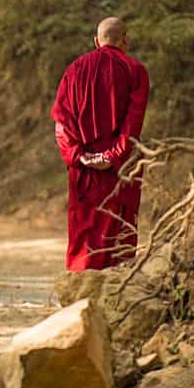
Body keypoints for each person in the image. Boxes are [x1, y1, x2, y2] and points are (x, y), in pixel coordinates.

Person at [50, 17, 150, 271]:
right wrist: (112, 156)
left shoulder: (74, 70)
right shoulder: (135, 70)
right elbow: (133, 123)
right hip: (121, 168)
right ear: (125, 40)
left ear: (96, 41)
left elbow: (62, 122)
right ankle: (116, 296)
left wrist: (79, 156)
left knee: (84, 233)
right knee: (120, 233)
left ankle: (80, 292)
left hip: (84, 171)